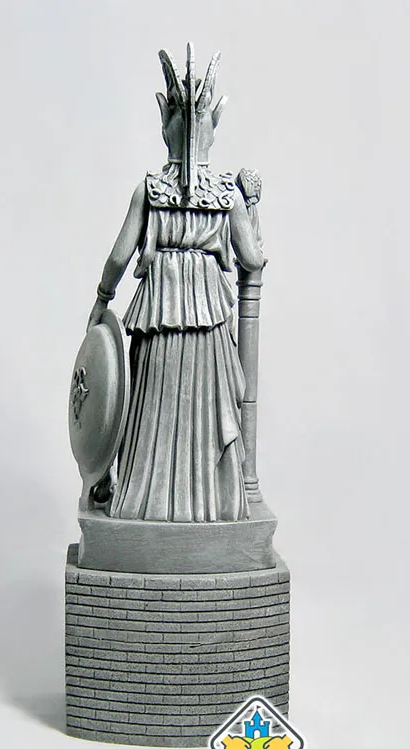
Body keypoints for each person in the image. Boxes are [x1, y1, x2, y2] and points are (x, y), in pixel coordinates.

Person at [86, 46, 265, 523]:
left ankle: (146, 507)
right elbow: (252, 259)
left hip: (161, 313)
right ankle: (207, 508)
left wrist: (102, 299)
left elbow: (119, 256)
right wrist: (254, 209)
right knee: (199, 411)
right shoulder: (227, 194)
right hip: (206, 316)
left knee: (154, 413)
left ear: (166, 125)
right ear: (211, 128)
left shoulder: (150, 189)